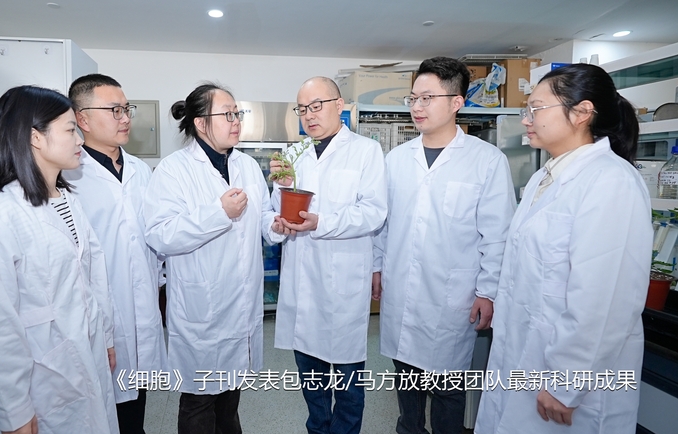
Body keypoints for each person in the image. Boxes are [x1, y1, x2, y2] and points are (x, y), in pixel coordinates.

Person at [474, 63, 652, 434]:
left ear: (582, 112)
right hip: (525, 359)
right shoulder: (545, 177)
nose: (526, 120)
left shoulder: (611, 181)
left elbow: (605, 300)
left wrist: (566, 383)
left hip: (569, 386)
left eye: (536, 109)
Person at [0, 85, 119, 434]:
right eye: (70, 130)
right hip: (41, 380)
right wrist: (12, 409)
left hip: (85, 358)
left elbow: (93, 282)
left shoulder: (68, 202)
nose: (80, 140)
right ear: (35, 137)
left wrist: (105, 336)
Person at [371, 57, 516, 434]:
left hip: (453, 294)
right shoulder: (396, 160)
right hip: (402, 289)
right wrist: (376, 266)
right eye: (413, 98)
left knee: (448, 389)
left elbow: (498, 234)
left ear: (456, 102)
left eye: (427, 98)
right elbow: (383, 223)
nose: (417, 106)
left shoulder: (487, 161)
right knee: (406, 380)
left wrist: (488, 291)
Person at [142, 82, 283, 434]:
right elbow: (160, 234)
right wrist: (219, 214)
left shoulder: (246, 165)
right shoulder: (173, 170)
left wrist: (277, 224)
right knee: (199, 399)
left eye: (238, 113)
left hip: (240, 302)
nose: (236, 121)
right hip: (201, 306)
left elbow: (263, 217)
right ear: (201, 123)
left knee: (230, 396)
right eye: (227, 114)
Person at [270, 76, 387, 434]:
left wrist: (322, 222)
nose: (309, 115)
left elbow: (373, 213)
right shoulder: (295, 153)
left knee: (348, 384)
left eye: (316, 106)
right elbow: (279, 207)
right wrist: (281, 189)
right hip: (302, 282)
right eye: (302, 109)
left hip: (343, 283)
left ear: (339, 105)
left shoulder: (366, 151)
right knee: (312, 380)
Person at [63, 73, 167, 434]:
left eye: (127, 109)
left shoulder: (141, 170)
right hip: (98, 314)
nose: (125, 118)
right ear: (83, 118)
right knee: (99, 412)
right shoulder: (68, 177)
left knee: (135, 407)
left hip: (142, 306)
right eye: (115, 110)